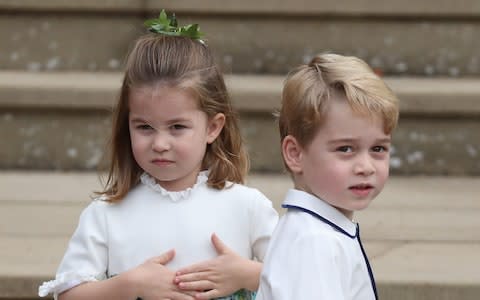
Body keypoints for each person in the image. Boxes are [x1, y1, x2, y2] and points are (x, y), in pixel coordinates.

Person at [38, 10, 278, 300]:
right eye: (145, 127)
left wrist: (249, 275)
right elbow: (68, 295)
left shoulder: (247, 208)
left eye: (177, 127)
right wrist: (130, 285)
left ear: (213, 128)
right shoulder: (106, 214)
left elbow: (300, 280)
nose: (160, 143)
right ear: (127, 124)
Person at [256, 53, 399, 300]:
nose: (366, 167)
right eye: (345, 149)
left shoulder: (317, 229)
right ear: (295, 153)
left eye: (378, 149)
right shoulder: (314, 242)